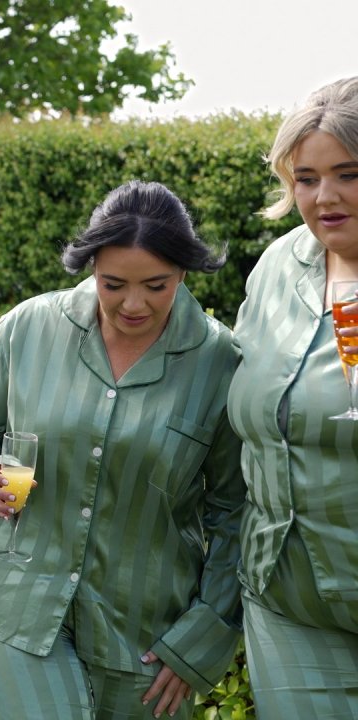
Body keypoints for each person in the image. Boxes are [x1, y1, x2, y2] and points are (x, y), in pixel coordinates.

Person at [0, 180, 245, 719]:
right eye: (113, 284)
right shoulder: (27, 327)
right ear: (90, 268)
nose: (133, 303)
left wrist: (200, 641)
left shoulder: (221, 363)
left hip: (146, 635)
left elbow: (233, 513)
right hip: (13, 600)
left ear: (184, 272)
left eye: (156, 285)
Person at [228, 76, 358, 718]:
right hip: (288, 596)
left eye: (349, 173)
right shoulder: (278, 266)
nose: (324, 196)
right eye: (305, 177)